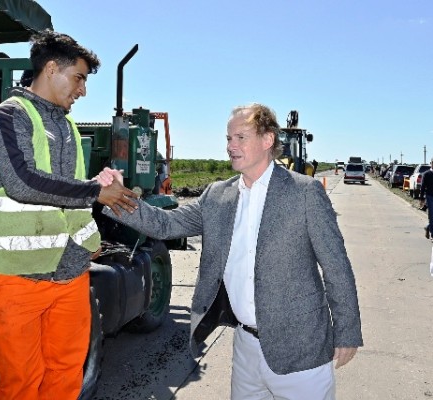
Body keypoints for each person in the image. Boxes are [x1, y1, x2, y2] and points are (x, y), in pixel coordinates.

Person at [99, 103, 363, 399]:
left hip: (301, 350)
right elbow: (164, 224)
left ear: (267, 140)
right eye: (228, 138)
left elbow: (336, 266)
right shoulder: (218, 195)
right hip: (246, 347)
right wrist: (117, 197)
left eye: (240, 137)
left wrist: (347, 330)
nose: (231, 146)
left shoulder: (305, 193)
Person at [0, 29, 138, 399]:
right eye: (79, 78)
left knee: (66, 376)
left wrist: (90, 241)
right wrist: (96, 191)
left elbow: (67, 195)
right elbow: (22, 182)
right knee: (21, 383)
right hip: (18, 278)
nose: (82, 89)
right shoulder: (9, 115)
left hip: (70, 276)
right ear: (52, 68)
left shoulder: (66, 125)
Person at [419, 158, 433, 239]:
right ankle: (432, 234)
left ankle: (428, 227)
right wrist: (421, 199)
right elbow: (423, 187)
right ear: (431, 163)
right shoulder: (426, 174)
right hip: (429, 196)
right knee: (431, 215)